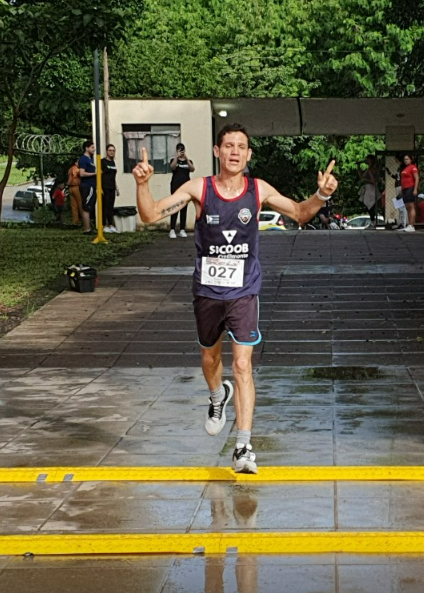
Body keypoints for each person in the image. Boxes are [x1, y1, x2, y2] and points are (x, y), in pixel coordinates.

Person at [133, 123, 337, 474]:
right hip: (207, 292)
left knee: (242, 365)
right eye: (228, 145)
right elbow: (150, 215)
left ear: (249, 154)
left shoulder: (258, 190)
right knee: (210, 359)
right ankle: (217, 396)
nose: (235, 152)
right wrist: (142, 184)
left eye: (241, 147)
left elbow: (300, 213)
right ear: (217, 151)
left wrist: (321, 195)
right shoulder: (199, 188)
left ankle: (243, 446)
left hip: (244, 291)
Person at [168, 142, 195, 238]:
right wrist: (176, 157)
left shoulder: (188, 161)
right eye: (179, 150)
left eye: (182, 150)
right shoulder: (173, 160)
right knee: (175, 207)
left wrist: (186, 159)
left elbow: (192, 169)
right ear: (176, 151)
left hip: (186, 187)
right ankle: (172, 230)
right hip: (175, 186)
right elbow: (172, 167)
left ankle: (182, 229)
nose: (181, 152)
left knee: (184, 208)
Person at [78, 140, 97, 234]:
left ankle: (88, 227)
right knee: (86, 207)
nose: (94, 149)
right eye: (92, 147)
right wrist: (95, 173)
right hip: (87, 185)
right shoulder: (83, 159)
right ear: (86, 148)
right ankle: (87, 229)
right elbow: (81, 173)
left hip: (92, 185)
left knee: (89, 206)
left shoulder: (90, 159)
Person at [400, 153, 420, 232]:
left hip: (410, 188)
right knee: (407, 207)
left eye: (407, 159)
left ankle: (412, 225)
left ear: (411, 160)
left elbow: (417, 178)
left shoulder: (413, 167)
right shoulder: (405, 168)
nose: (406, 161)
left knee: (411, 206)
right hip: (405, 189)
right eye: (405, 159)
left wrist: (415, 189)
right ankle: (409, 224)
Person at [101, 144, 118, 232]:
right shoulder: (102, 161)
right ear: (107, 151)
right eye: (110, 150)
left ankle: (111, 225)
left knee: (111, 206)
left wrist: (116, 187)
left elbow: (113, 176)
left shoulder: (113, 162)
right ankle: (104, 225)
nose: (112, 152)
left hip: (112, 187)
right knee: (105, 206)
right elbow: (100, 175)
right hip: (105, 187)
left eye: (113, 151)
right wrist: (99, 188)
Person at [358, 154, 379, 228]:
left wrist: (365, 179)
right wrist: (358, 167)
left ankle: (373, 222)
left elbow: (373, 180)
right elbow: (361, 176)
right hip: (367, 188)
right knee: (368, 206)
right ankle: (372, 221)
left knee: (370, 206)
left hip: (370, 188)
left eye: (368, 159)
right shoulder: (368, 169)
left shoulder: (371, 169)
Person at [66, 158, 82, 226]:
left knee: (74, 206)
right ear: (76, 162)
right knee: (80, 204)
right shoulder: (75, 168)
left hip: (70, 188)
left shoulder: (70, 169)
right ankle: (84, 220)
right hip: (76, 187)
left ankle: (75, 221)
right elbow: (79, 174)